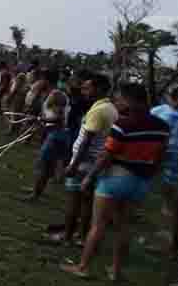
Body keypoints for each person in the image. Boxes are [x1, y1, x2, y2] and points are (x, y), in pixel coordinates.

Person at [61, 83, 169, 281]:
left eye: (119, 99)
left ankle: (83, 267)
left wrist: (89, 177)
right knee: (124, 227)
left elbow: (106, 156)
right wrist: (149, 175)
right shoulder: (162, 127)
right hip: (140, 182)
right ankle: (116, 271)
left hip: (115, 178)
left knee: (98, 225)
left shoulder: (123, 124)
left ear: (130, 100)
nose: (117, 103)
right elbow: (161, 157)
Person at [51, 73, 118, 245]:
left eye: (88, 87)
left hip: (84, 162)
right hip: (95, 162)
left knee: (73, 200)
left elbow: (87, 141)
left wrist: (74, 164)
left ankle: (66, 236)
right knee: (86, 201)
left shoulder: (98, 110)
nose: (84, 90)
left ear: (100, 89)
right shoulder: (111, 108)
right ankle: (81, 237)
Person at [23, 69, 71, 202]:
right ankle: (36, 190)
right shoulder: (53, 94)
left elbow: (60, 119)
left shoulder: (57, 95)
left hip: (57, 134)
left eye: (42, 79)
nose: (39, 82)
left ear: (46, 80)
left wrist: (40, 120)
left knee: (44, 165)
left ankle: (35, 195)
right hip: (54, 133)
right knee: (45, 165)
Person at [151, 86, 178, 261]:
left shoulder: (161, 111)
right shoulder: (160, 110)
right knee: (165, 206)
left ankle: (173, 248)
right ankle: (164, 243)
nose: (176, 101)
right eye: (174, 97)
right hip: (160, 165)